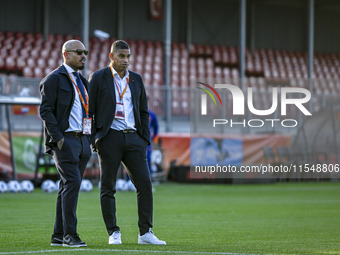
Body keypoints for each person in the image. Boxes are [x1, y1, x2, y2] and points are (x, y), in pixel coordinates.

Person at [88, 40, 166, 245]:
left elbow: (143, 111)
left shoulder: (136, 79)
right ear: (111, 56)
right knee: (108, 187)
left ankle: (145, 233)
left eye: (128, 56)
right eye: (122, 56)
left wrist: (144, 139)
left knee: (145, 185)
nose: (126, 60)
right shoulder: (98, 78)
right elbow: (90, 112)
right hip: (110, 138)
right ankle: (113, 232)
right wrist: (95, 139)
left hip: (134, 139)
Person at [39, 40, 92, 247]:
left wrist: (89, 138)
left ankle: (58, 235)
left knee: (67, 187)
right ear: (66, 54)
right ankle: (71, 235)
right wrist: (58, 138)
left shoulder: (82, 81)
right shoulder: (53, 79)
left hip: (82, 139)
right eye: (79, 52)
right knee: (71, 184)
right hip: (65, 140)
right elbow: (45, 111)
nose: (83, 55)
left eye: (85, 52)